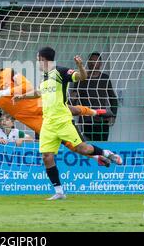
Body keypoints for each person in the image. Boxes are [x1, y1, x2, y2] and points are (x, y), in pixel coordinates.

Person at [0, 57, 110, 166]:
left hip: (38, 103)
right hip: (27, 117)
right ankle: (97, 156)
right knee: (69, 143)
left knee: (69, 109)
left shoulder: (9, 72)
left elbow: (28, 88)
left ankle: (95, 112)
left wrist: (4, 92)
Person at [17, 47, 122, 200]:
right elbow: (39, 92)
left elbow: (82, 76)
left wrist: (80, 65)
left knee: (82, 148)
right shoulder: (45, 76)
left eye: (37, 58)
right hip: (48, 123)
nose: (37, 62)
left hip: (63, 121)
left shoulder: (61, 72)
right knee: (47, 156)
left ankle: (107, 153)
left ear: (42, 59)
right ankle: (59, 192)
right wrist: (21, 97)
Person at [71, 52, 118, 141]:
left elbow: (113, 98)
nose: (93, 63)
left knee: (102, 146)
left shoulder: (105, 78)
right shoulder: (81, 78)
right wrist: (73, 98)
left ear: (100, 63)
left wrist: (113, 115)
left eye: (95, 61)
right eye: (91, 61)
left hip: (102, 120)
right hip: (86, 120)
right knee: (87, 146)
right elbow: (73, 99)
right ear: (87, 62)